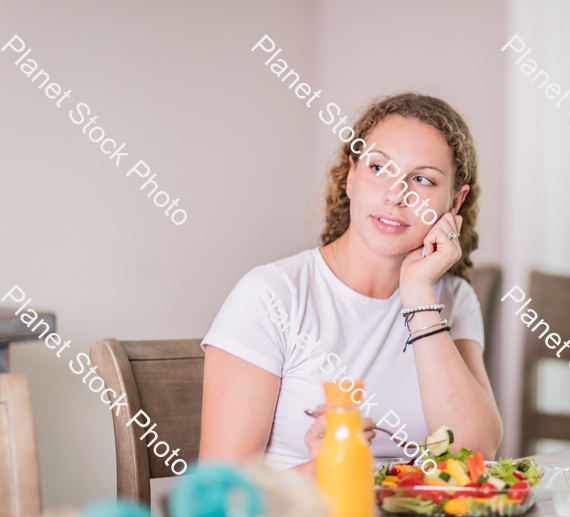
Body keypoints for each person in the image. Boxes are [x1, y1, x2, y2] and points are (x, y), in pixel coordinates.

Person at [199, 93, 502, 477]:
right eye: (379, 168)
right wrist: (332, 467)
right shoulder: (271, 295)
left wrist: (417, 295)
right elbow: (219, 495)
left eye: (423, 179)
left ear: (454, 202)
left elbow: (476, 453)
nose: (397, 195)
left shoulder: (453, 299)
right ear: (351, 176)